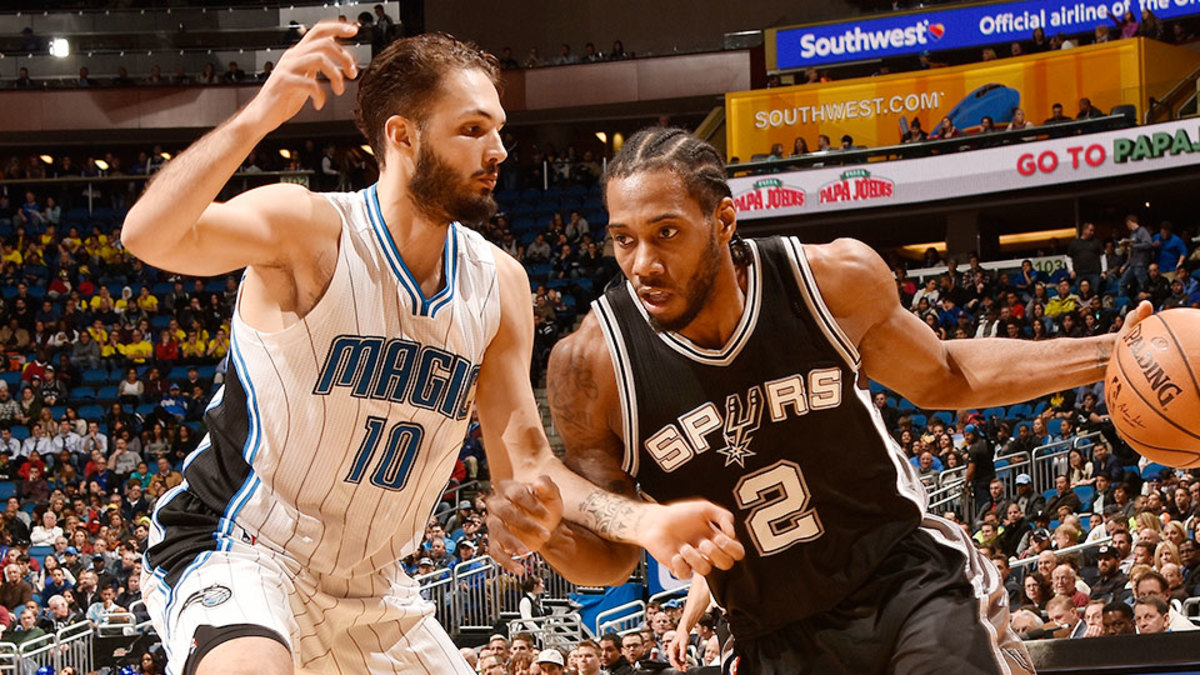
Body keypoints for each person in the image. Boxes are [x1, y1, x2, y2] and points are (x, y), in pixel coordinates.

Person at [522, 127, 1156, 674]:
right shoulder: (591, 365)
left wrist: (1111, 352)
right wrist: (547, 534)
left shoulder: (828, 281)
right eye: (624, 240)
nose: (643, 263)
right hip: (770, 633)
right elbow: (611, 556)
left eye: (665, 233)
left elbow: (948, 374)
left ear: (722, 221)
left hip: (904, 581)